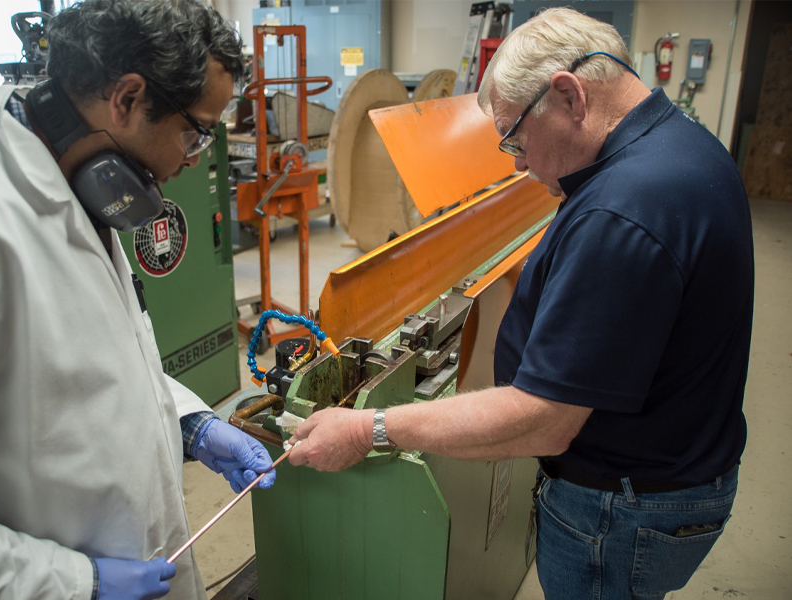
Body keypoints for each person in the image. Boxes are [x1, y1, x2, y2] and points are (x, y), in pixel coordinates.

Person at [288, 7, 752, 599]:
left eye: (515, 136)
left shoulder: (623, 210)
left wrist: (368, 429)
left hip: (621, 508)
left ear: (569, 97)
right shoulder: (678, 145)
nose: (516, 161)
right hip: (678, 471)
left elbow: (544, 420)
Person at [0, 1, 276, 599]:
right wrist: (75, 583)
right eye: (195, 132)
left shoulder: (79, 189)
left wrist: (189, 425)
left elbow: (90, 368)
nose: (192, 158)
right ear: (125, 98)